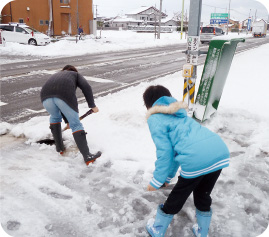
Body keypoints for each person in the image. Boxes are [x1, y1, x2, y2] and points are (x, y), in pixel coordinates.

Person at [143, 85, 230, 237]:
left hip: (196, 159)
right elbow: (177, 152)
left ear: (149, 104)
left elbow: (166, 153)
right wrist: (168, 178)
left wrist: (157, 181)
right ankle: (203, 232)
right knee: (203, 193)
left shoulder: (155, 119)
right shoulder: (180, 114)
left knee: (178, 196)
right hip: (219, 152)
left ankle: (157, 229)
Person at [40, 65, 101, 166]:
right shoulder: (75, 75)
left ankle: (59, 149)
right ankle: (88, 157)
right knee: (76, 124)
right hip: (64, 97)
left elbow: (61, 106)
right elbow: (86, 87)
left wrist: (67, 122)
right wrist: (92, 106)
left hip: (45, 98)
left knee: (55, 117)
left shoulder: (56, 75)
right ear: (73, 70)